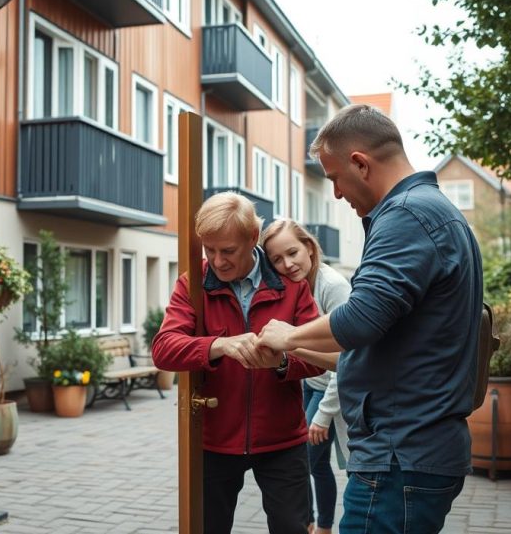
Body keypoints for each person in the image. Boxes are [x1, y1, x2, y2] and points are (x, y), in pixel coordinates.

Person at [257, 104, 484, 534]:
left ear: (360, 163)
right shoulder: (429, 211)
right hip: (412, 453)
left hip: (400, 456)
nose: (338, 194)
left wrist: (288, 336)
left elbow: (359, 320)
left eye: (335, 178)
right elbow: (378, 346)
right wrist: (297, 353)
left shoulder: (406, 216)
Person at [152, 192, 325, 534]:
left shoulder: (291, 287)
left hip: (283, 441)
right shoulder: (192, 283)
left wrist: (280, 362)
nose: (217, 261)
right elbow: (164, 349)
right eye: (209, 250)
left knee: (292, 528)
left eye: (227, 251)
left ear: (251, 239)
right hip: (215, 439)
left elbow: (317, 357)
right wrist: (218, 345)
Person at [260, 219, 351, 534]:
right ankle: (314, 525)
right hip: (311, 385)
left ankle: (319, 526)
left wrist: (324, 416)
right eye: (276, 259)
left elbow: (349, 357)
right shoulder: (292, 287)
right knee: (314, 461)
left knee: (311, 456)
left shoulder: (333, 286)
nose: (287, 264)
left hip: (337, 388)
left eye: (293, 252)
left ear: (309, 247)